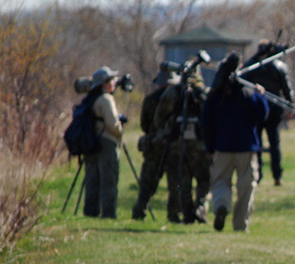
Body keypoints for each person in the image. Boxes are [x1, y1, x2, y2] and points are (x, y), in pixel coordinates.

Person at [201, 52, 269, 232]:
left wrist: (210, 146)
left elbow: (206, 122)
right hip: (246, 147)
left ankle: (221, 206)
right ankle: (240, 224)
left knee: (221, 181)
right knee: (246, 186)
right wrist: (260, 95)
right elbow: (262, 115)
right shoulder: (247, 93)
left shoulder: (215, 95)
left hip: (222, 147)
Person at [154, 69, 210, 224]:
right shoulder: (203, 92)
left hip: (176, 143)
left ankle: (187, 214)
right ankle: (200, 206)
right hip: (200, 144)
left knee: (181, 180)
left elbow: (159, 118)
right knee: (204, 179)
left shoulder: (172, 93)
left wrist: (166, 131)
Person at [243, 39, 295, 186]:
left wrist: (290, 105)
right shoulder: (256, 66)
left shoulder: (273, 66)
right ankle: (264, 175)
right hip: (260, 109)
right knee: (265, 142)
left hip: (268, 109)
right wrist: (290, 104)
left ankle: (272, 175)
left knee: (268, 142)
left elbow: (286, 88)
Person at [131, 69, 180, 220]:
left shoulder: (150, 99)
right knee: (175, 183)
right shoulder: (179, 98)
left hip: (154, 146)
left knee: (147, 183)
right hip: (172, 146)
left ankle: (140, 211)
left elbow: (144, 125)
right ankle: (173, 215)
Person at [83, 66, 124, 219]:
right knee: (109, 179)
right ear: (105, 83)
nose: (114, 82)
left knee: (92, 179)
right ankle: (108, 213)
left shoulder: (91, 98)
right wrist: (121, 132)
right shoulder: (106, 99)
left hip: (91, 142)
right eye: (111, 80)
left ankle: (91, 211)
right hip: (106, 142)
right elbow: (112, 124)